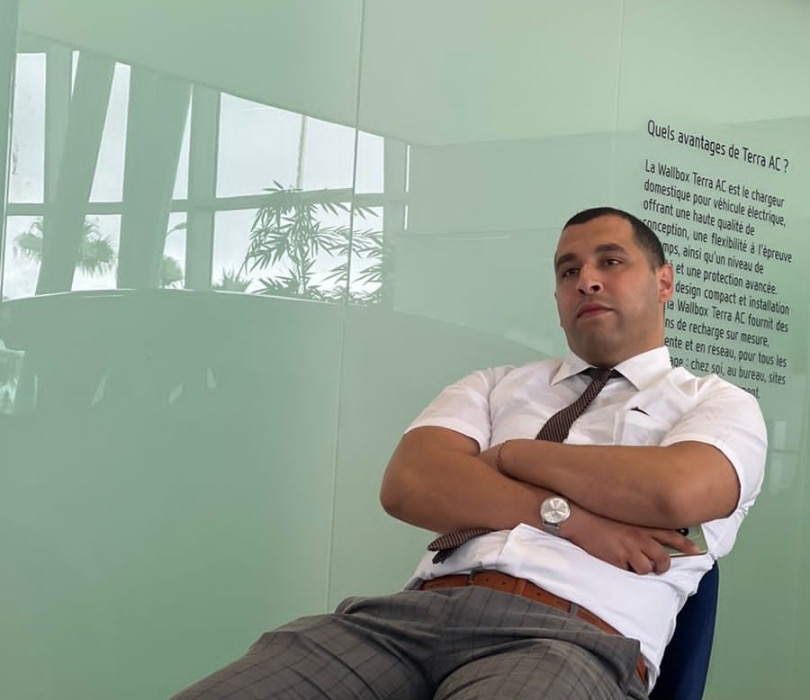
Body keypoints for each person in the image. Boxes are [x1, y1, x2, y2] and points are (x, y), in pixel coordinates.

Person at [170, 207, 767, 700]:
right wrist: (576, 520)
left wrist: (509, 456)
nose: (586, 280)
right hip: (400, 621)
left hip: (569, 638)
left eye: (610, 262)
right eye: (568, 270)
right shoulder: (496, 383)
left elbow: (673, 490)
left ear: (664, 282)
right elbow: (410, 483)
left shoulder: (715, 403)